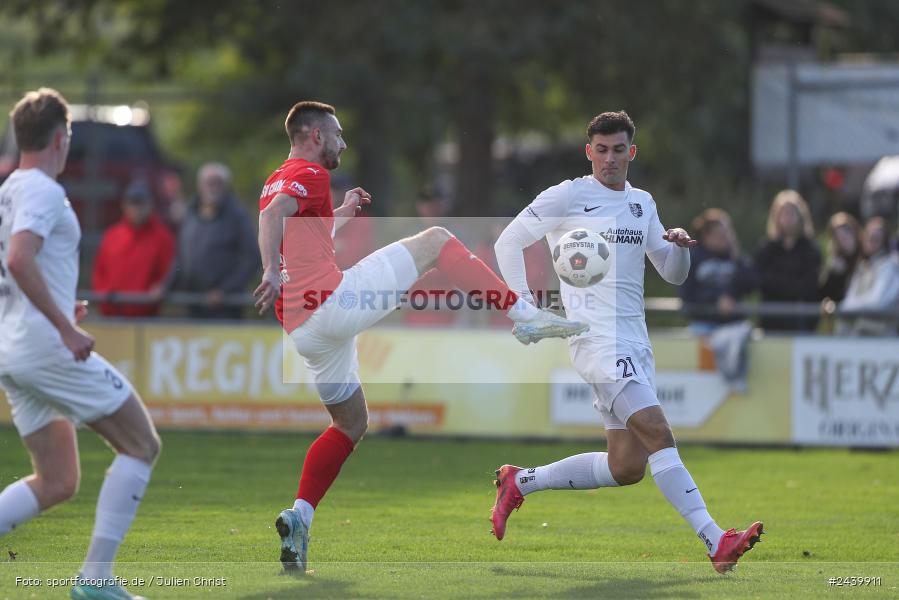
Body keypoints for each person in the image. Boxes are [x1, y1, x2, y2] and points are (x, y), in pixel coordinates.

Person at [252, 101, 588, 573]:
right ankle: (522, 313)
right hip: (329, 303)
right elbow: (274, 221)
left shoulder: (279, 176)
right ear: (313, 136)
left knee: (350, 424)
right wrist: (268, 268)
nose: (343, 143)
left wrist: (341, 214)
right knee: (435, 240)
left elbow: (295, 227)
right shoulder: (310, 173)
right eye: (337, 134)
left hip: (304, 328)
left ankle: (300, 517)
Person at [490, 111, 762, 574]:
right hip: (597, 341)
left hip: (635, 341)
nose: (610, 159)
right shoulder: (570, 195)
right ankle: (716, 540)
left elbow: (672, 274)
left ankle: (521, 480)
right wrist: (524, 308)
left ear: (631, 152)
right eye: (601, 150)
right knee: (659, 433)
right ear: (588, 151)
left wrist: (676, 247)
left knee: (626, 466)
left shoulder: (643, 204)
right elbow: (508, 242)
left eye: (619, 150)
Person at [0, 88, 160, 600]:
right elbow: (20, 259)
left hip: (16, 348)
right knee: (141, 444)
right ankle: (95, 582)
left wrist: (58, 309)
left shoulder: (10, 189)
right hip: (46, 349)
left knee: (58, 480)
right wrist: (64, 329)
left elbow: (20, 267)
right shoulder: (43, 190)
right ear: (60, 137)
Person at [679, 209, 756, 393]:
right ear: (706, 235)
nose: (725, 238)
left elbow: (752, 284)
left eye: (728, 233)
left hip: (733, 325)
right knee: (707, 385)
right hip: (704, 324)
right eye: (720, 234)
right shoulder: (693, 257)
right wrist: (715, 300)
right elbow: (686, 293)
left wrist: (738, 258)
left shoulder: (735, 257)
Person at [170, 162, 259, 319]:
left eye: (217, 182)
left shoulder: (237, 216)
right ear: (200, 185)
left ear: (226, 186)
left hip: (225, 307)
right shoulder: (190, 214)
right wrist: (165, 287)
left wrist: (225, 290)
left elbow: (252, 258)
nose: (212, 187)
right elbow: (180, 256)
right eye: (208, 182)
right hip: (192, 303)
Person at [92, 179, 175, 317]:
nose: (136, 209)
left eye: (141, 204)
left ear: (150, 206)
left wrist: (160, 289)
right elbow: (99, 272)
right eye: (132, 204)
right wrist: (104, 297)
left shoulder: (162, 238)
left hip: (145, 318)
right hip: (111, 315)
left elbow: (167, 274)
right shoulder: (112, 235)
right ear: (124, 206)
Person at [754, 190, 821, 332]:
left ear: (801, 216)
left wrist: (778, 284)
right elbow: (760, 281)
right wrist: (791, 284)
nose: (788, 217)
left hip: (801, 323)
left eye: (792, 213)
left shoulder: (811, 249)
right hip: (770, 323)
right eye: (783, 213)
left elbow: (809, 286)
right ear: (776, 217)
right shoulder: (767, 248)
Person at [836, 217, 899, 336]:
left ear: (884, 241)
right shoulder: (862, 268)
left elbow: (878, 302)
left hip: (882, 333)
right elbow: (848, 301)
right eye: (868, 237)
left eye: (876, 238)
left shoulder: (890, 266)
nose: (871, 241)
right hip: (860, 325)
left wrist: (852, 308)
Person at [819, 212, 862, 304]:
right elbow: (827, 295)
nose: (844, 241)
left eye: (847, 234)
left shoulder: (866, 257)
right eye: (839, 238)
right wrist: (836, 273)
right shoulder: (836, 263)